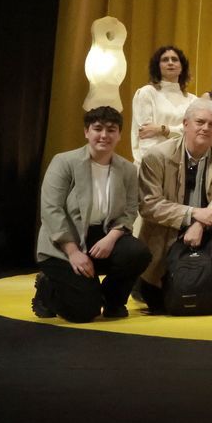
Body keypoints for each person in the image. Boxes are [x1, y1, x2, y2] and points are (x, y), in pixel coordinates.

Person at [32, 106, 151, 322]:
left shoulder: (127, 170)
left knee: (137, 252)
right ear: (87, 132)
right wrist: (73, 252)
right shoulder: (64, 162)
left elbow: (130, 210)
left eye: (111, 130)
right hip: (64, 242)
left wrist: (112, 237)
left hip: (102, 237)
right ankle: (47, 290)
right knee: (84, 313)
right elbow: (51, 209)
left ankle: (113, 301)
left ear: (119, 135)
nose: (104, 135)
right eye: (98, 129)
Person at [135, 99, 212, 312]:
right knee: (160, 304)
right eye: (200, 122)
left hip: (211, 227)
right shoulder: (156, 157)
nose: (205, 128)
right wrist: (193, 214)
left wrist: (200, 224)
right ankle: (152, 281)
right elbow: (149, 205)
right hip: (168, 231)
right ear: (185, 124)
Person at [131, 45, 196, 166]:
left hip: (182, 164)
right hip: (150, 163)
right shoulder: (147, 93)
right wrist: (177, 131)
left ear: (182, 67)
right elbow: (146, 135)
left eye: (175, 59)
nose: (170, 63)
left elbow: (192, 133)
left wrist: (162, 129)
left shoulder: (193, 100)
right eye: (165, 60)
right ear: (158, 66)